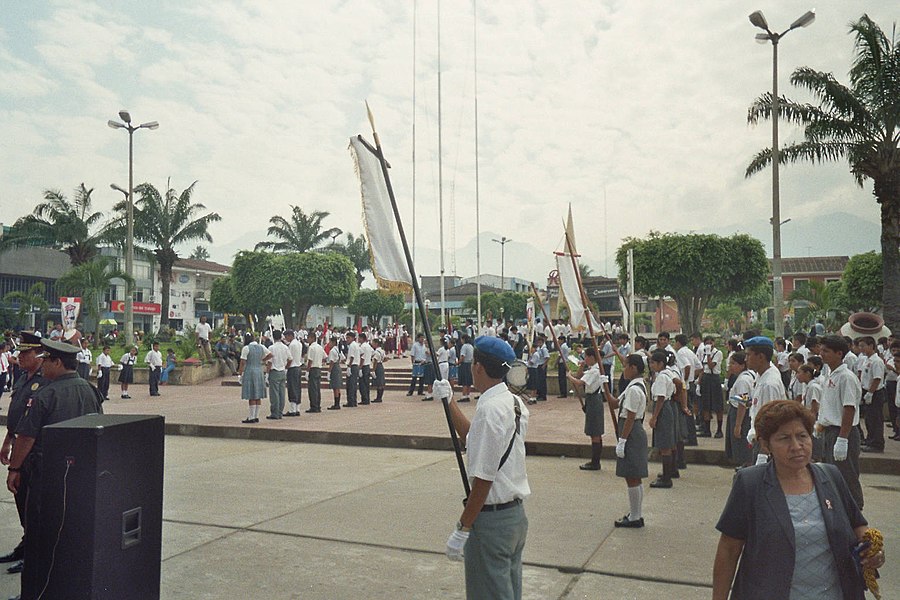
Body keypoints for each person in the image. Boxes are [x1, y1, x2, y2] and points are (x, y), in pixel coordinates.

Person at [713, 401, 884, 600]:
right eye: (784, 438)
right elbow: (728, 550)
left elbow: (858, 525)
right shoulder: (750, 484)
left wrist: (872, 551)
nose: (796, 446)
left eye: (802, 436)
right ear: (766, 445)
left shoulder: (831, 476)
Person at [6, 339, 103, 600]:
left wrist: (14, 468)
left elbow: (27, 437)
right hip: (79, 475)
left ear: (57, 362)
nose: (43, 365)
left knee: (39, 539)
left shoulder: (46, 394)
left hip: (45, 475)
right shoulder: (89, 390)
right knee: (69, 536)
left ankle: (33, 594)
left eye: (46, 360)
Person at [441, 336, 530, 600]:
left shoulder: (490, 409)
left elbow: (483, 479)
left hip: (491, 521)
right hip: (513, 518)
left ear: (478, 367)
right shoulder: (513, 402)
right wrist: (449, 401)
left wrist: (463, 527)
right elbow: (474, 438)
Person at [0, 332, 45, 571]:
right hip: (17, 442)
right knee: (20, 498)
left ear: (38, 355)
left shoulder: (44, 380)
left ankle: (32, 552)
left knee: (30, 501)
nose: (19, 356)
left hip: (32, 450)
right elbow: (17, 412)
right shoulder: (23, 378)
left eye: (24, 353)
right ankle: (26, 543)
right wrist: (8, 440)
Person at [817, 335, 864, 509]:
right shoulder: (831, 374)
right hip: (830, 431)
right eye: (821, 350)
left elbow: (849, 408)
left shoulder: (846, 377)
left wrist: (843, 439)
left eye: (826, 351)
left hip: (843, 432)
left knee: (846, 474)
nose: (822, 354)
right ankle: (838, 508)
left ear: (839, 353)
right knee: (830, 474)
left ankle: (855, 511)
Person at [607, 354, 649, 527]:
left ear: (633, 368)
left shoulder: (634, 389)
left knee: (632, 476)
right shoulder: (634, 385)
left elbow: (630, 417)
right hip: (632, 431)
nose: (623, 370)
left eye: (625, 366)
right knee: (634, 476)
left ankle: (635, 517)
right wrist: (605, 387)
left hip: (631, 432)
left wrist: (622, 440)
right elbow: (615, 404)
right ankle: (635, 514)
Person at [744, 336, 788, 462]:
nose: (746, 359)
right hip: (759, 438)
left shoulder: (769, 384)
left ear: (761, 357)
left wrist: (764, 451)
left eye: (749, 355)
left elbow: (771, 420)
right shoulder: (761, 375)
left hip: (766, 443)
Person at [566, 348, 607, 471]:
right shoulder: (592, 369)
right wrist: (581, 367)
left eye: (586, 357)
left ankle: (595, 462)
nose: (585, 359)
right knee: (593, 431)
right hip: (591, 399)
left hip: (594, 399)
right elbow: (580, 376)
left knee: (595, 432)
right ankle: (595, 461)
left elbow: (578, 382)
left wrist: (569, 377)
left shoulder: (595, 370)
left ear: (592, 357)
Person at [647, 350, 680, 488]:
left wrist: (654, 417)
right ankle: (672, 470)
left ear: (661, 363)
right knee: (670, 442)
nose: (651, 365)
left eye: (653, 363)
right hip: (668, 407)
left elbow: (660, 398)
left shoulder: (661, 377)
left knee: (665, 444)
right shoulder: (669, 374)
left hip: (662, 407)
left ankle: (666, 478)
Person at [725, 352, 755, 469]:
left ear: (742, 365)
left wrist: (738, 425)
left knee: (741, 440)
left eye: (734, 363)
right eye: (730, 363)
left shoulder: (743, 380)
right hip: (741, 410)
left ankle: (747, 464)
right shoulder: (748, 375)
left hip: (741, 413)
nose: (730, 366)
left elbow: (743, 403)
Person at [857, 336, 886, 453]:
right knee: (869, 419)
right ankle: (870, 440)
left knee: (876, 419)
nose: (861, 348)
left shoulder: (876, 361)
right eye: (860, 346)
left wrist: (870, 393)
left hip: (875, 392)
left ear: (871, 346)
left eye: (863, 346)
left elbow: (877, 378)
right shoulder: (866, 359)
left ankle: (877, 444)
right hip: (867, 391)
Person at [239, 332, 272, 424]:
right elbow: (270, 355)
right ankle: (256, 416)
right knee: (257, 395)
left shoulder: (246, 348)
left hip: (250, 371)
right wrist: (262, 360)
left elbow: (242, 362)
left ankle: (251, 417)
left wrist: (240, 374)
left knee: (251, 395)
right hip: (259, 370)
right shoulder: (261, 347)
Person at [699, 336, 725, 438]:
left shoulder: (717, 353)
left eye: (711, 342)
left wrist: (709, 354)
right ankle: (707, 430)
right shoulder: (704, 353)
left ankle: (719, 430)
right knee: (705, 405)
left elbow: (711, 365)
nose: (709, 345)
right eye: (707, 343)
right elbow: (703, 368)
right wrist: (699, 382)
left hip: (714, 378)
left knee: (718, 405)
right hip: (706, 378)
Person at [267, 330, 291, 418]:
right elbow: (290, 359)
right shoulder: (285, 347)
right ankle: (280, 411)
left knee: (274, 394)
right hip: (282, 371)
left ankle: (275, 412)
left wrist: (267, 373)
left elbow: (269, 362)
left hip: (274, 371)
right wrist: (286, 367)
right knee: (282, 393)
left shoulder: (271, 348)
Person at [284, 330, 305, 416]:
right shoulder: (299, 343)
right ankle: (297, 408)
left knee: (292, 388)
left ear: (290, 336)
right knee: (297, 388)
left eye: (286, 337)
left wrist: (286, 367)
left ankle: (292, 409)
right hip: (298, 367)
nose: (285, 338)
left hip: (292, 367)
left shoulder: (291, 345)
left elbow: (289, 358)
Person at [305, 330, 325, 413]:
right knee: (317, 388)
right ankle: (318, 405)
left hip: (313, 369)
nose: (307, 340)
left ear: (312, 338)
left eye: (308, 338)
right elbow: (325, 357)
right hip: (318, 368)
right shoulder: (320, 347)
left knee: (312, 389)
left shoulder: (311, 347)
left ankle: (314, 406)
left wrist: (307, 371)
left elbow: (310, 360)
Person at [326, 334, 343, 410]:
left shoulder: (332, 350)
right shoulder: (337, 349)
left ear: (333, 343)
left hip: (334, 368)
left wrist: (329, 372)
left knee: (335, 386)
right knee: (337, 386)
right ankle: (337, 403)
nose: (328, 344)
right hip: (338, 366)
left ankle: (336, 404)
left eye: (330, 342)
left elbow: (331, 362)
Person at [344, 331, 360, 407]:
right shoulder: (356, 345)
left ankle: (351, 401)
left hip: (352, 366)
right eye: (346, 338)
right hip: (356, 365)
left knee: (350, 385)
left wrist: (349, 367)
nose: (347, 339)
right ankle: (353, 401)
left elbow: (352, 357)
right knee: (353, 384)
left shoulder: (352, 346)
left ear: (353, 338)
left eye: (348, 338)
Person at [458, 335, 474, 402]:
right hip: (470, 364)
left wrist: (458, 362)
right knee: (469, 381)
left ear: (464, 339)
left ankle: (464, 395)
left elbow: (462, 357)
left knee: (464, 380)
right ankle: (468, 395)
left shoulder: (464, 346)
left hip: (465, 364)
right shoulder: (471, 346)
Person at [358, 332, 373, 405]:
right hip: (368, 365)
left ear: (362, 338)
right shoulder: (368, 346)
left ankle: (364, 399)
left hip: (363, 366)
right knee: (366, 383)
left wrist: (360, 368)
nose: (358, 339)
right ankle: (367, 398)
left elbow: (362, 358)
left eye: (359, 338)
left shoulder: (362, 346)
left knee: (362, 384)